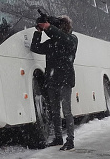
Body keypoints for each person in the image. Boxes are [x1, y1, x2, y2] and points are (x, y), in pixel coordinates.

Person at [30, 14, 78, 150]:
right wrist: (38, 32)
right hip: (52, 81)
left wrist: (49, 27)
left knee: (67, 111)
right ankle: (58, 138)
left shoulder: (72, 39)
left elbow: (64, 39)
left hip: (65, 80)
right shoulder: (52, 42)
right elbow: (35, 48)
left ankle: (70, 140)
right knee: (55, 111)